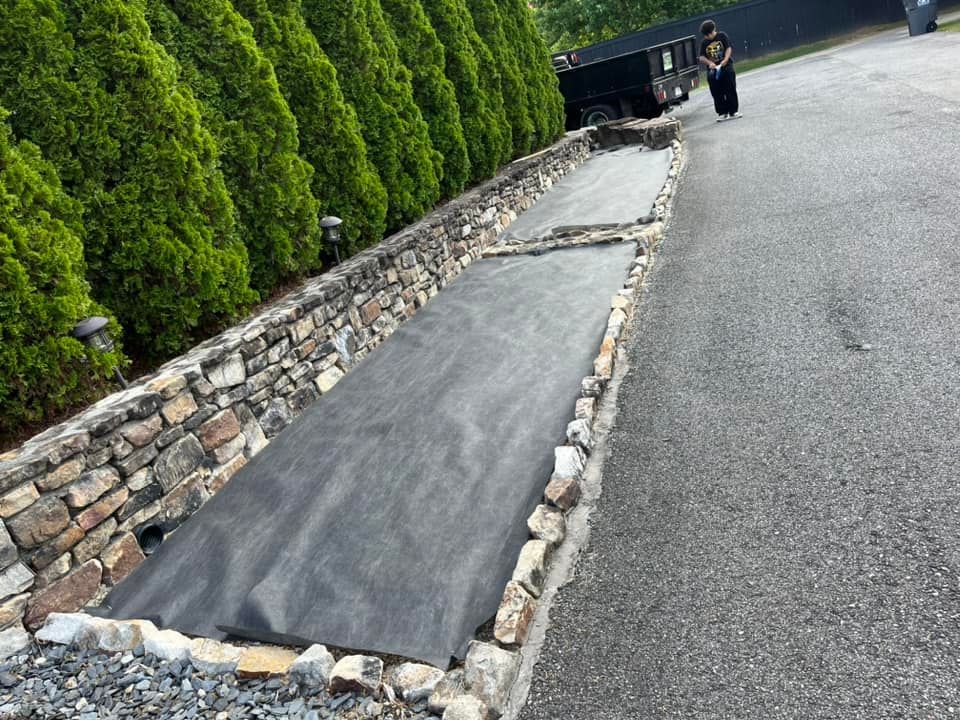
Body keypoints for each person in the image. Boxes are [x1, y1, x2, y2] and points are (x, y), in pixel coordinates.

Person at [699, 19, 741, 121]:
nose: (705, 37)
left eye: (706, 35)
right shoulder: (704, 42)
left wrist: (725, 60)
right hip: (713, 70)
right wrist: (710, 63)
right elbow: (701, 57)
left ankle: (733, 111)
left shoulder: (722, 36)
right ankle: (722, 112)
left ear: (711, 32)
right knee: (716, 91)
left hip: (726, 66)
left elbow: (728, 48)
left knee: (730, 88)